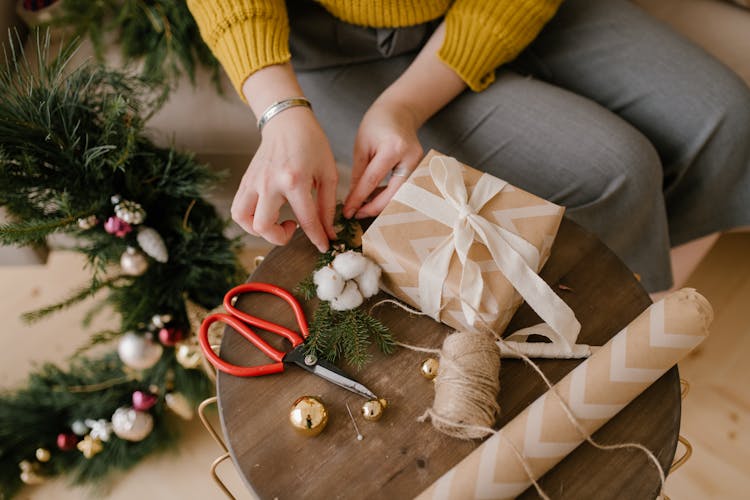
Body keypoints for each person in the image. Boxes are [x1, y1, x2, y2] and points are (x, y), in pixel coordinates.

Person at [186, 0, 750, 293]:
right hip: (331, 45)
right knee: (613, 169)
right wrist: (281, 111)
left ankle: (631, 320)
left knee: (724, 115)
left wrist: (402, 107)